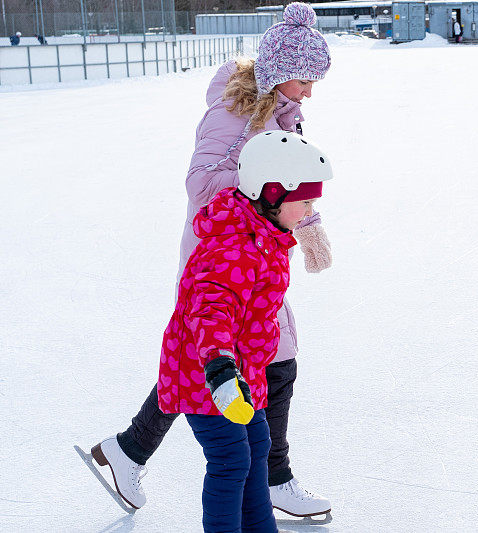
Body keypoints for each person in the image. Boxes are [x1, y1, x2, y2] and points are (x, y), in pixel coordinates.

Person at [89, 2, 333, 518]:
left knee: (212, 356)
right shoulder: (235, 113)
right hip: (220, 251)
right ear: (277, 74)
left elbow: (286, 186)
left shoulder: (282, 112)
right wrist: (258, 161)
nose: (310, 92)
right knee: (257, 357)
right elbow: (202, 185)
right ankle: (274, 477)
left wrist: (304, 219)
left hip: (257, 248)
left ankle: (130, 448)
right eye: (304, 80)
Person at [158, 131, 332, 532]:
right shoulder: (235, 244)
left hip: (243, 375)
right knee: (230, 461)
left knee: (257, 450)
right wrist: (220, 369)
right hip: (205, 374)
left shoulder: (265, 236)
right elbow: (210, 310)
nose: (310, 211)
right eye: (305, 201)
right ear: (272, 193)